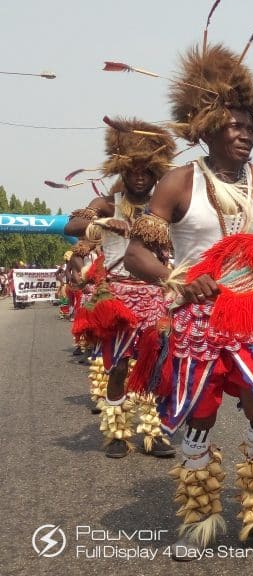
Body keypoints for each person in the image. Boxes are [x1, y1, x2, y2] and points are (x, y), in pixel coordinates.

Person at [123, 41, 253, 558]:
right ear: (208, 129)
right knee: (198, 417)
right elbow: (137, 255)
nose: (246, 134)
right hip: (198, 322)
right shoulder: (179, 183)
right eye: (235, 125)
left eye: (251, 126)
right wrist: (178, 279)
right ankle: (199, 522)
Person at [65, 117, 177, 460]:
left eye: (147, 170)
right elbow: (73, 223)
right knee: (118, 366)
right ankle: (116, 432)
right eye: (133, 170)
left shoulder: (166, 206)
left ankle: (153, 431)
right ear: (123, 171)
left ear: (156, 172)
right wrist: (101, 222)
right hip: (119, 298)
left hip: (158, 296)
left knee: (157, 366)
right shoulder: (107, 204)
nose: (140, 176)